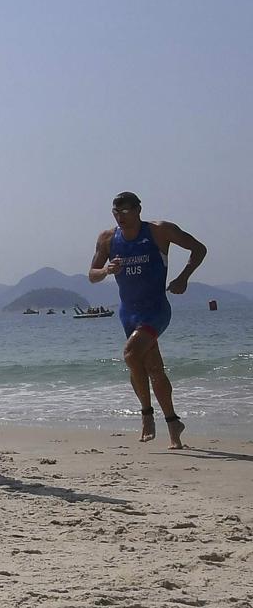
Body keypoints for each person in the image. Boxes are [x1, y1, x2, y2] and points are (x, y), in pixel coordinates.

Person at [87, 191, 207, 449]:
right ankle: (174, 424)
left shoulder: (159, 231)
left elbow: (199, 249)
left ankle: (146, 415)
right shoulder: (108, 239)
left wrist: (184, 277)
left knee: (131, 354)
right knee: (154, 368)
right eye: (116, 213)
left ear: (138, 209)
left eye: (126, 211)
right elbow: (92, 275)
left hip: (156, 310)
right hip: (128, 313)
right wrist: (107, 270)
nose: (121, 217)